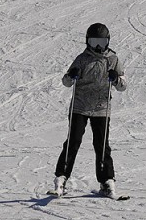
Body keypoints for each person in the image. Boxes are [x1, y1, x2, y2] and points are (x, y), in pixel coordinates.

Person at [53, 23, 127, 198]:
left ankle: (107, 181)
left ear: (107, 41)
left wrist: (116, 79)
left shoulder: (113, 60)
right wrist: (71, 76)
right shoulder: (82, 59)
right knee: (73, 141)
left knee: (101, 146)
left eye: (101, 42)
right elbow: (66, 82)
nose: (98, 47)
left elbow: (123, 86)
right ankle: (61, 177)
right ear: (87, 42)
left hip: (101, 108)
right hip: (80, 107)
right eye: (94, 42)